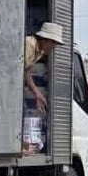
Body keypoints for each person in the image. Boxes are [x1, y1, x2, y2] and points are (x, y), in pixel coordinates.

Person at [23, 22, 64, 154]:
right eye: (53, 44)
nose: (53, 48)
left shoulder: (39, 52)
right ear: (46, 40)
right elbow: (16, 69)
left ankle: (25, 146)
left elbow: (26, 73)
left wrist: (37, 94)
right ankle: (23, 147)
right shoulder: (29, 44)